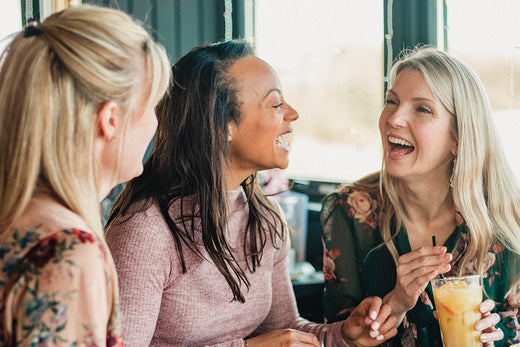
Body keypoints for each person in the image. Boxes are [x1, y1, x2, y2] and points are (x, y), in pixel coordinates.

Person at [105, 40, 397, 347]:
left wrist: (344, 334)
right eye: (275, 104)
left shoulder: (264, 217)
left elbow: (285, 330)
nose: (293, 114)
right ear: (223, 125)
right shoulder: (146, 231)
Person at [321, 46, 520, 346]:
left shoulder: (507, 216)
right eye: (391, 101)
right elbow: (337, 338)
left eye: (422, 109)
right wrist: (396, 302)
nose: (394, 118)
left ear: (458, 137)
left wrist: (500, 333)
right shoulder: (349, 210)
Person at [0, 5, 170, 346]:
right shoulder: (67, 251)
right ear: (111, 119)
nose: (156, 122)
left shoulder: (18, 214)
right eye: (153, 104)